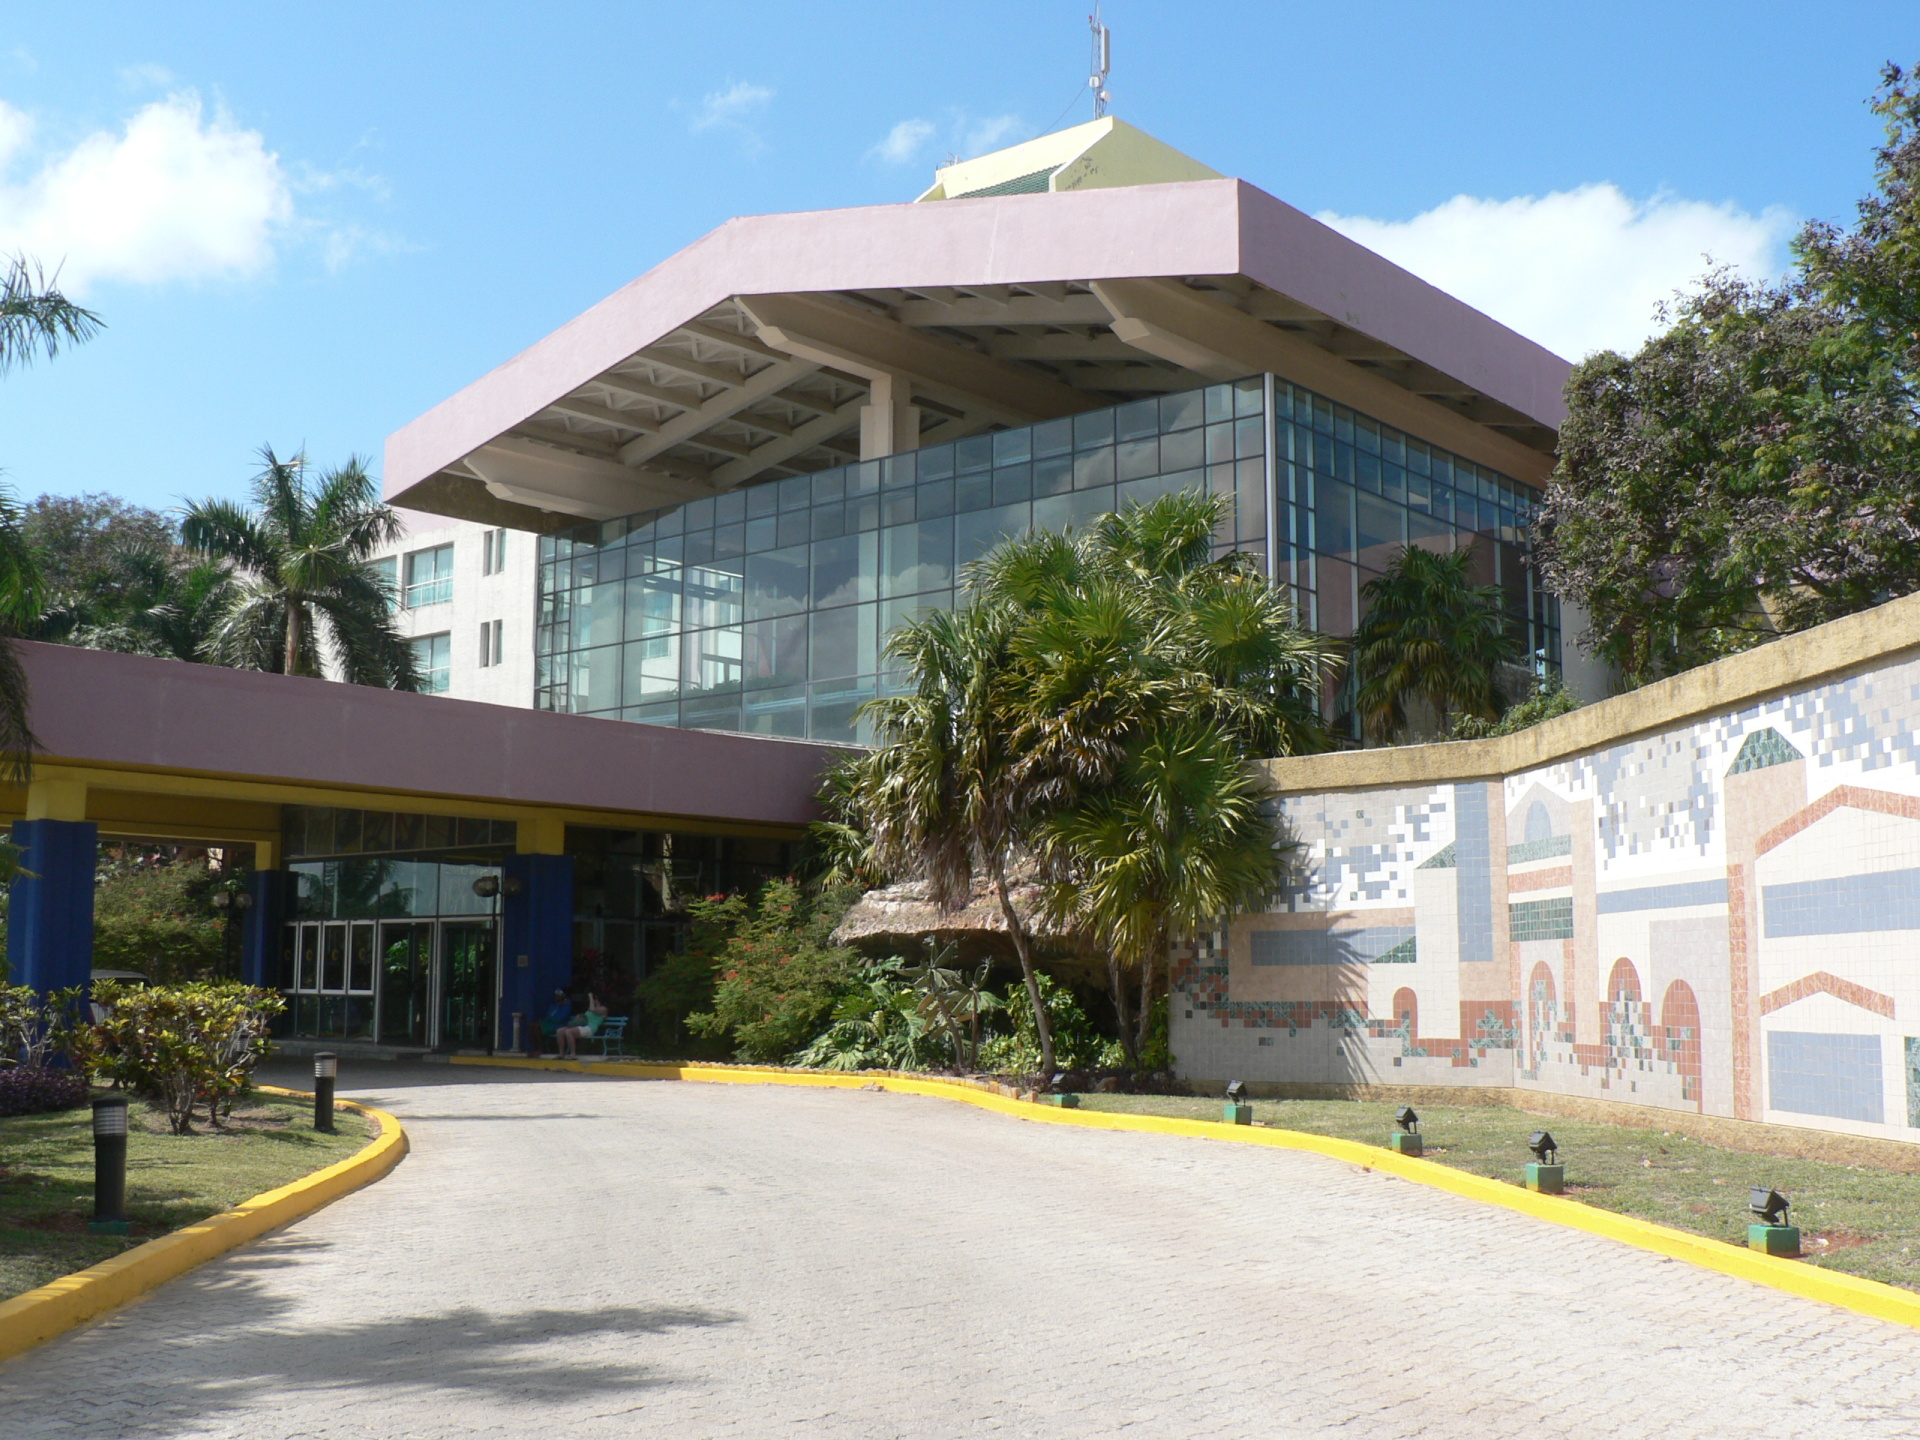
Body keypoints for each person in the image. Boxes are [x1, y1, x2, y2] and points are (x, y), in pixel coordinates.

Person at [556, 993, 609, 1058]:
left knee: (569, 1032)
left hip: (590, 1028)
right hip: (583, 1025)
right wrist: (581, 1016)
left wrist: (590, 997)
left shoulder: (603, 1009)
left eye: (594, 998)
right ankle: (561, 1054)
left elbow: (593, 1010)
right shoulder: (591, 1008)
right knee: (560, 1031)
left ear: (599, 1000)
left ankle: (573, 1054)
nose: (593, 1000)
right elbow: (587, 1015)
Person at [537, 990, 573, 1056]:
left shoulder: (567, 1006)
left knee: (538, 1027)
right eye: (556, 995)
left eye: (558, 995)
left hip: (559, 1025)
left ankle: (541, 1048)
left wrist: (559, 1007)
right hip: (550, 1024)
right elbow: (549, 1016)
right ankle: (538, 1048)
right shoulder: (553, 1005)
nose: (556, 997)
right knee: (533, 1025)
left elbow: (560, 1018)